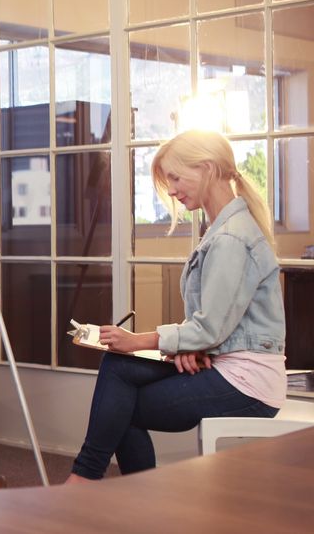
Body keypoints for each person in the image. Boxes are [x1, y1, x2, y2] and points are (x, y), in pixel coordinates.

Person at [66, 129, 286, 483]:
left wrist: (138, 340)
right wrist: (195, 349)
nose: (171, 189)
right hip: (225, 362)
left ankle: (85, 483)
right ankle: (92, 483)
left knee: (121, 408)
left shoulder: (231, 237)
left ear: (208, 169)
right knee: (117, 369)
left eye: (175, 176)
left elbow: (209, 328)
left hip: (247, 382)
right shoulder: (223, 228)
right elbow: (215, 323)